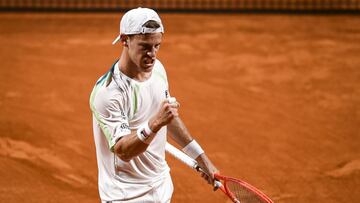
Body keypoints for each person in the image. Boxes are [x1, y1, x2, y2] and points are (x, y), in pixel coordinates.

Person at [90, 7, 218, 203]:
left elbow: (168, 118)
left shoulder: (158, 70)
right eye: (145, 47)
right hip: (125, 196)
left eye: (157, 45)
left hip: (160, 187)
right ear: (125, 40)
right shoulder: (108, 93)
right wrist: (155, 123)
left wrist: (202, 158)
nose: (152, 54)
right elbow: (123, 151)